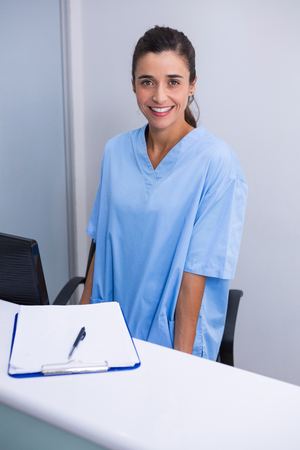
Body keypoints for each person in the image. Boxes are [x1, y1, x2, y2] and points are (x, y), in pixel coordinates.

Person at [80, 26, 247, 361]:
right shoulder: (116, 152)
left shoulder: (216, 162)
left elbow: (195, 272)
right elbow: (102, 245)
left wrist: (179, 365)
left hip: (171, 340)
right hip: (110, 327)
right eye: (147, 82)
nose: (159, 96)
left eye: (173, 81)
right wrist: (81, 323)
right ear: (133, 85)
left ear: (192, 85)